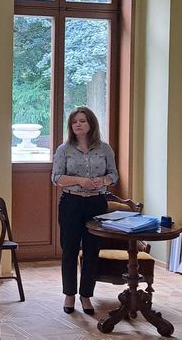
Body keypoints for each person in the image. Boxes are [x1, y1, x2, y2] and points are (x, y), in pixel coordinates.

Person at [51, 106, 118, 316]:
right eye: (74, 122)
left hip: (97, 204)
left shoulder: (104, 148)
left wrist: (104, 180)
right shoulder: (64, 149)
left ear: (91, 124)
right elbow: (56, 178)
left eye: (82, 121)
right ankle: (69, 294)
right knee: (69, 250)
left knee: (92, 250)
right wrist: (80, 181)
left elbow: (114, 175)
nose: (78, 125)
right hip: (71, 203)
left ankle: (86, 295)